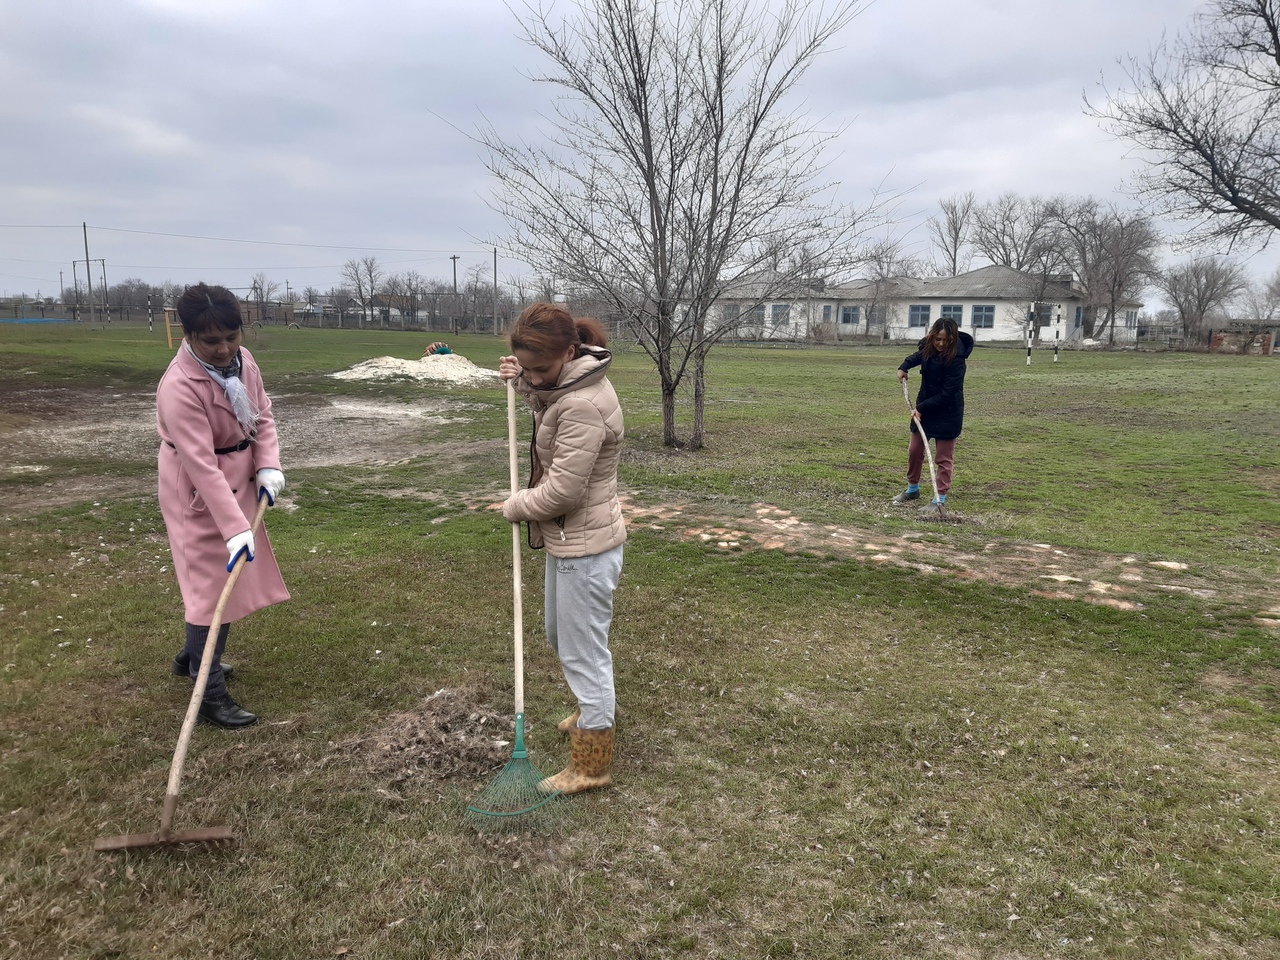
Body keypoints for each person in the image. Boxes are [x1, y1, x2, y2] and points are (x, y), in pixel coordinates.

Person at [498, 302, 626, 795]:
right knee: (563, 638)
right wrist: (524, 383)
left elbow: (563, 492)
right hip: (573, 540)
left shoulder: (582, 404)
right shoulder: (570, 383)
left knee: (583, 652)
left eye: (540, 368)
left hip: (586, 547)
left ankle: (591, 766)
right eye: (526, 367)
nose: (533, 377)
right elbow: (548, 402)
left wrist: (516, 505)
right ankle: (593, 708)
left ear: (570, 352)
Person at [157, 283, 289, 729]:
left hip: (240, 477)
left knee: (218, 580)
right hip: (196, 490)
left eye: (231, 337)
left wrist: (268, 465)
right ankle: (208, 690)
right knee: (210, 585)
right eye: (211, 341)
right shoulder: (178, 387)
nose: (223, 349)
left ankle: (190, 656)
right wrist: (235, 528)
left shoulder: (244, 362)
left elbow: (263, 416)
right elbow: (199, 464)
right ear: (187, 336)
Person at [893, 317, 974, 512]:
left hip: (947, 413)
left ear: (953, 339)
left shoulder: (958, 362)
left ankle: (940, 499)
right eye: (937, 339)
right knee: (914, 451)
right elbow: (917, 356)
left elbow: (947, 395)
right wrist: (904, 367)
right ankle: (913, 489)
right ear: (932, 336)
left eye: (946, 340)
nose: (940, 344)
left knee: (944, 459)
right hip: (925, 410)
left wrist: (921, 408)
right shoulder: (928, 349)